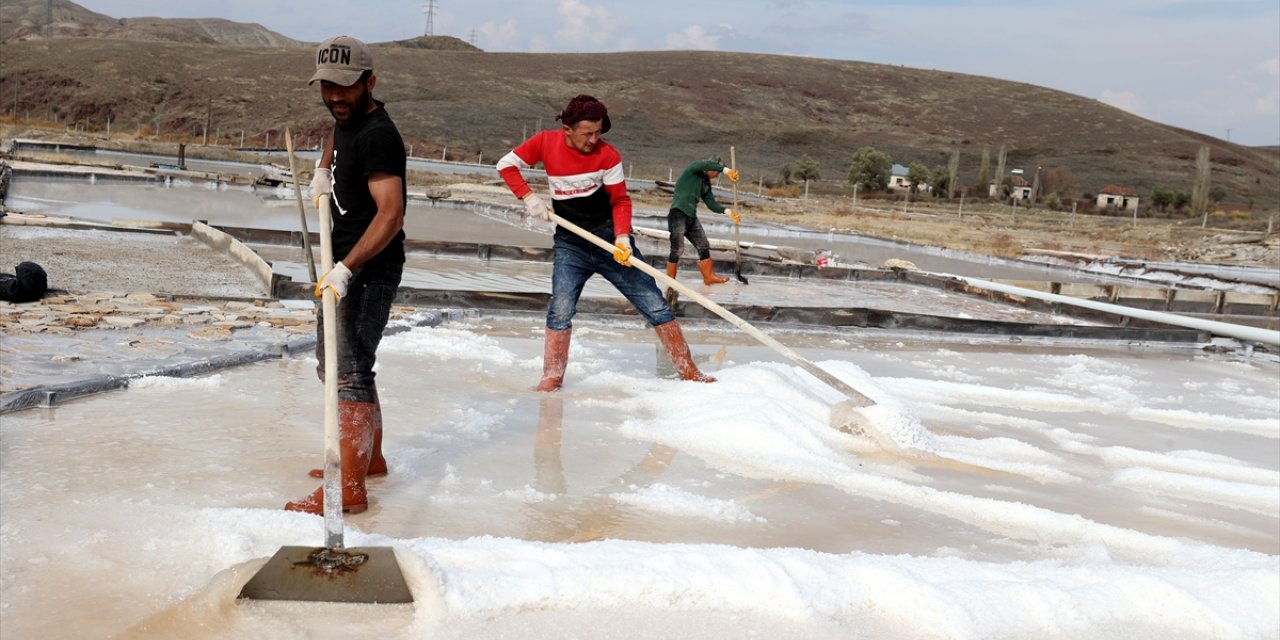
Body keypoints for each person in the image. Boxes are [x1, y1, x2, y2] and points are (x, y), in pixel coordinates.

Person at [497, 94, 715, 392]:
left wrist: (623, 238)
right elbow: (506, 165)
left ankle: (688, 369)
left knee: (653, 303)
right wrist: (528, 197)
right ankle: (552, 376)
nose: (594, 139)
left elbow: (621, 200)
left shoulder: (608, 156)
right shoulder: (545, 143)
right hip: (570, 243)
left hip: (610, 240)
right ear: (568, 130)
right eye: (587, 133)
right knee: (560, 309)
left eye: (599, 132)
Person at [286, 35, 407, 515]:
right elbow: (336, 138)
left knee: (347, 372)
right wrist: (322, 170)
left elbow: (391, 214)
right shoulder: (346, 122)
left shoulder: (379, 134)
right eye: (327, 86)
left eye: (345, 87)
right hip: (349, 263)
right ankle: (369, 461)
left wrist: (346, 269)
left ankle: (349, 487)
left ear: (369, 82)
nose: (335, 96)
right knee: (339, 364)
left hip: (367, 267)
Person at [666, 156, 741, 285]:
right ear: (711, 168)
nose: (717, 175)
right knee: (677, 249)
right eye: (717, 172)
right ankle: (670, 281)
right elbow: (704, 164)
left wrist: (728, 212)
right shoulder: (694, 169)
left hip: (691, 217)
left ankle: (708, 276)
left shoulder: (705, 184)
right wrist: (726, 170)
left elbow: (711, 204)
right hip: (678, 213)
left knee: (703, 245)